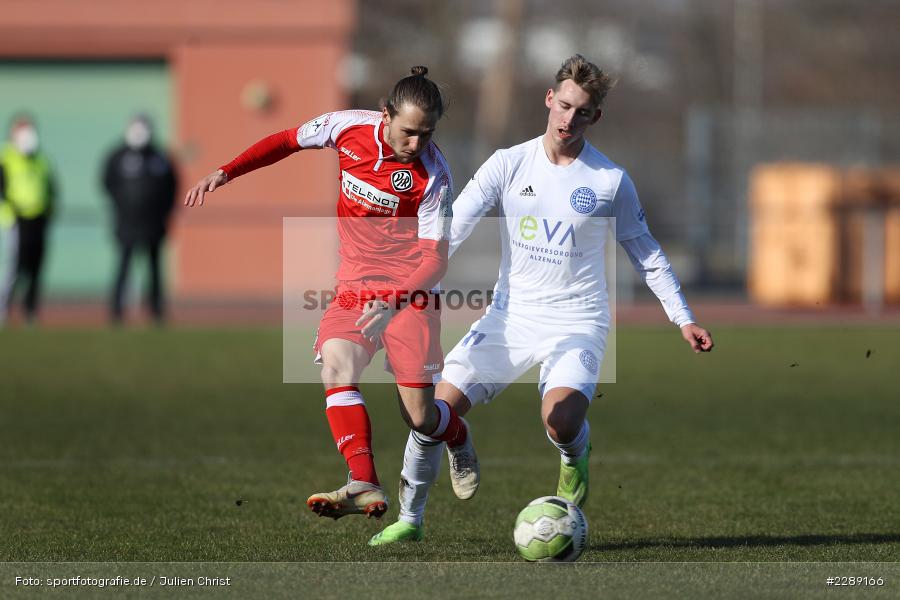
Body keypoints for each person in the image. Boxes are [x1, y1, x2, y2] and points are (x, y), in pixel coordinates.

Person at [369, 55, 714, 546]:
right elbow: (452, 229)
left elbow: (647, 252)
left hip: (578, 319)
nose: (568, 120)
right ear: (550, 99)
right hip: (510, 317)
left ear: (595, 118)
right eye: (564, 105)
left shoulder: (609, 181)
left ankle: (575, 457)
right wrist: (407, 288)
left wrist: (684, 317)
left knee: (561, 419)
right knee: (429, 413)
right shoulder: (509, 163)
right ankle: (410, 519)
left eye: (582, 112)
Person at [183, 66, 479, 521]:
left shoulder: (434, 175)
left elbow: (434, 260)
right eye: (408, 132)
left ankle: (456, 436)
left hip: (411, 293)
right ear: (385, 115)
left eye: (426, 134)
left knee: (420, 418)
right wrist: (226, 172)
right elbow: (284, 141)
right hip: (356, 286)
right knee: (336, 366)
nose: (416, 144)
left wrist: (395, 302)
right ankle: (362, 479)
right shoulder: (347, 126)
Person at [102, 114, 177, 324]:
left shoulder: (160, 157)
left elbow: (172, 186)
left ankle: (156, 310)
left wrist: (164, 212)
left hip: (154, 223)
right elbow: (107, 183)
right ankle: (116, 310)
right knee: (123, 265)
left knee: (154, 268)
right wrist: (123, 206)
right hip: (126, 222)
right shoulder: (117, 156)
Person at [0, 114, 56, 325]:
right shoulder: (6, 158)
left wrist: (49, 210)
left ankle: (30, 311)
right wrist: (12, 210)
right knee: (14, 267)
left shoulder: (42, 159)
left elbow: (51, 187)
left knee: (36, 268)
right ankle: (3, 309)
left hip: (39, 220)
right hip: (15, 221)